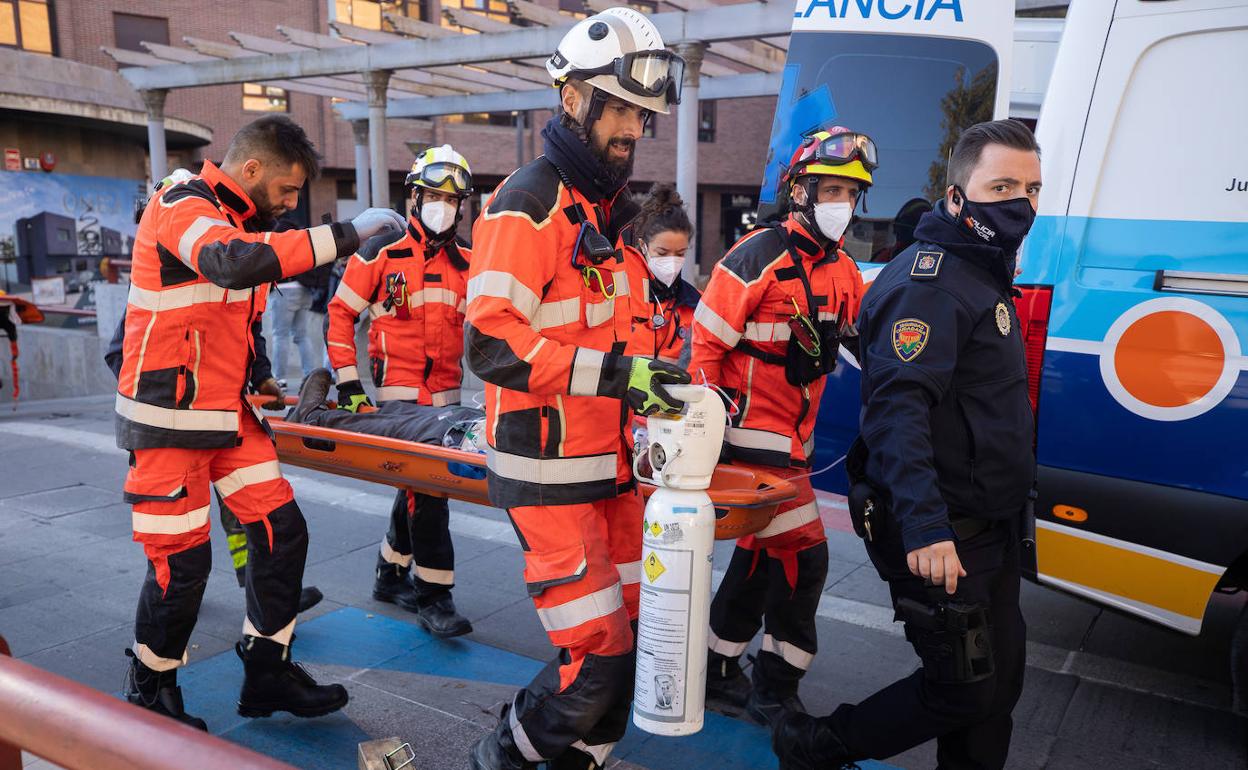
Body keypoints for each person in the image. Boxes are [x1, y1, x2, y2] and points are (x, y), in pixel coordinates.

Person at [114, 114, 405, 730]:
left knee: (282, 530)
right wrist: (345, 234)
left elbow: (232, 317)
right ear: (251, 171)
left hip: (228, 414)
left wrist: (260, 373)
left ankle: (267, 671)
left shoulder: (242, 222)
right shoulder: (182, 202)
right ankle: (149, 683)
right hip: (168, 419)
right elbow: (231, 265)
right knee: (180, 564)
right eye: (288, 190)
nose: (293, 205)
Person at [773, 119, 1041, 770]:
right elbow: (897, 413)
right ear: (956, 198)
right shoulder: (931, 283)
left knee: (997, 687)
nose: (1020, 204)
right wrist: (925, 529)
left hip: (991, 527)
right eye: (1001, 185)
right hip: (943, 530)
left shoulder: (982, 271)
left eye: (1032, 189)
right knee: (962, 690)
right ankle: (818, 746)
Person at [464, 8, 691, 769]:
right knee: (597, 658)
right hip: (546, 473)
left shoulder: (609, 216)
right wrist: (621, 376)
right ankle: (500, 759)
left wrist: (669, 386)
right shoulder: (527, 203)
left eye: (642, 114)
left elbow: (620, 338)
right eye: (620, 108)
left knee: (624, 657)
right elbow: (491, 344)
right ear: (572, 100)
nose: (634, 127)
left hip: (611, 472)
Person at [691, 127, 873, 725]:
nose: (840, 204)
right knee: (805, 556)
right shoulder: (753, 256)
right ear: (799, 191)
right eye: (830, 189)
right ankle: (777, 683)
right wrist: (707, 432)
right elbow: (704, 347)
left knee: (761, 555)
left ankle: (718, 664)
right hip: (748, 441)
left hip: (795, 441)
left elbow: (858, 341)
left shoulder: (845, 269)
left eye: (851, 193)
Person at [324, 144, 476, 638]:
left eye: (452, 201)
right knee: (431, 493)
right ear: (414, 198)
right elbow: (341, 315)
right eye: (433, 196)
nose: (442, 208)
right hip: (400, 398)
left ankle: (390, 575)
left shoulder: (471, 264)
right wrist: (348, 382)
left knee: (417, 486)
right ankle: (435, 596)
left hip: (447, 399)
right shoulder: (380, 254)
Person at [625, 183, 700, 366]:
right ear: (643, 246)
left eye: (680, 253)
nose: (672, 261)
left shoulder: (697, 305)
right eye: (662, 253)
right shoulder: (618, 296)